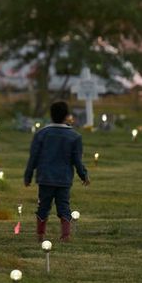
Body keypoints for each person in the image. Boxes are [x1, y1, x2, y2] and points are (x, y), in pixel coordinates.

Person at [24, 101, 90, 242]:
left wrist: (28, 175)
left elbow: (33, 157)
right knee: (64, 206)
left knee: (43, 206)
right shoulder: (75, 136)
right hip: (64, 178)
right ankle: (65, 235)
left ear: (51, 114)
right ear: (67, 116)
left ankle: (40, 234)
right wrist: (83, 174)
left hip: (45, 177)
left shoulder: (41, 134)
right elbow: (77, 160)